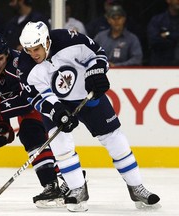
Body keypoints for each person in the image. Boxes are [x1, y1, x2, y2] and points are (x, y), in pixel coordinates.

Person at [17, 21, 161, 212]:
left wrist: (97, 72)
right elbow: (35, 96)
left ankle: (137, 187)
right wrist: (56, 111)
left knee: (115, 138)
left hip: (86, 94)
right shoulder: (25, 66)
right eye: (28, 50)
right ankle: (77, 190)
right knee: (60, 145)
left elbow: (97, 53)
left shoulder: (68, 39)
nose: (33, 54)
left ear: (46, 42)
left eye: (36, 48)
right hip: (57, 103)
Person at [0, 33, 67, 208]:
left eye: (0, 58)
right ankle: (65, 177)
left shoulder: (21, 65)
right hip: (24, 105)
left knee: (30, 132)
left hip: (42, 100)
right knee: (31, 136)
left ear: (7, 54)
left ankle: (54, 184)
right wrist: (2, 128)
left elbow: (27, 102)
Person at [147, 0, 179, 66]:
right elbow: (153, 41)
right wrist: (174, 39)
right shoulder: (157, 20)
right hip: (161, 66)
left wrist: (167, 35)